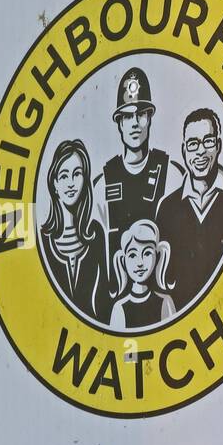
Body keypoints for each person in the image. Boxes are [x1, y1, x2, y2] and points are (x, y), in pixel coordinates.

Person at [92, 66, 185, 287]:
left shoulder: (171, 175)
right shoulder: (102, 184)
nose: (135, 123)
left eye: (140, 114)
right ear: (119, 123)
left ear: (149, 118)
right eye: (127, 116)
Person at [156, 107, 223, 312]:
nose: (200, 151)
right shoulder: (168, 208)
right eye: (193, 144)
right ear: (184, 151)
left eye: (208, 141)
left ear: (218, 146)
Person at [40, 139, 110, 323]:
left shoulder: (95, 234)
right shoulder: (42, 239)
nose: (70, 183)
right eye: (63, 176)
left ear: (85, 179)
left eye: (77, 174)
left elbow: (104, 299)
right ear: (54, 184)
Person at [109, 219, 176, 331]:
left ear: (157, 255)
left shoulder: (165, 302)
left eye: (147, 253)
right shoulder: (119, 308)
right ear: (123, 260)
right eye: (132, 255)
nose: (140, 263)